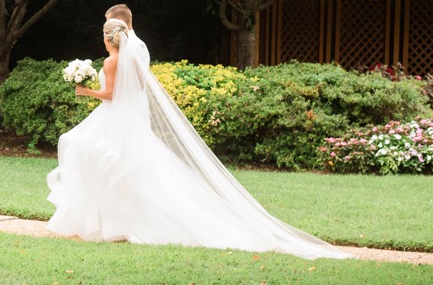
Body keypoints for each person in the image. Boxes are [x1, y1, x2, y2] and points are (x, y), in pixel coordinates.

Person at [46, 17, 350, 260]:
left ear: (106, 37)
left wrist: (86, 90)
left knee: (83, 150)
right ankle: (112, 223)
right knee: (103, 161)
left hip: (114, 119)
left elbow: (111, 95)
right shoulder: (127, 59)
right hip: (119, 121)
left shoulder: (112, 61)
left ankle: (111, 223)